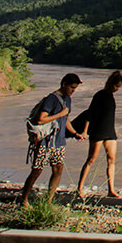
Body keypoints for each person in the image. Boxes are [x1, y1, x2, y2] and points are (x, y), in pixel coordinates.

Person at [21, 72, 86, 206]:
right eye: (72, 87)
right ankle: (24, 200)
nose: (73, 91)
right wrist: (59, 114)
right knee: (37, 170)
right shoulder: (52, 99)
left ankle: (48, 201)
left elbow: (66, 118)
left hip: (59, 142)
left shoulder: (68, 99)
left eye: (75, 88)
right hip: (45, 142)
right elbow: (41, 119)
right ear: (64, 84)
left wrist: (74, 133)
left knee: (58, 169)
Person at [76, 70, 122, 199]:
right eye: (116, 86)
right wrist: (85, 131)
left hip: (110, 131)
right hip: (98, 131)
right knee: (91, 160)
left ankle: (111, 190)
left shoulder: (111, 96)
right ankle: (79, 188)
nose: (117, 89)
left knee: (112, 160)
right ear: (110, 83)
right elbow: (89, 113)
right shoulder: (99, 95)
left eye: (119, 87)